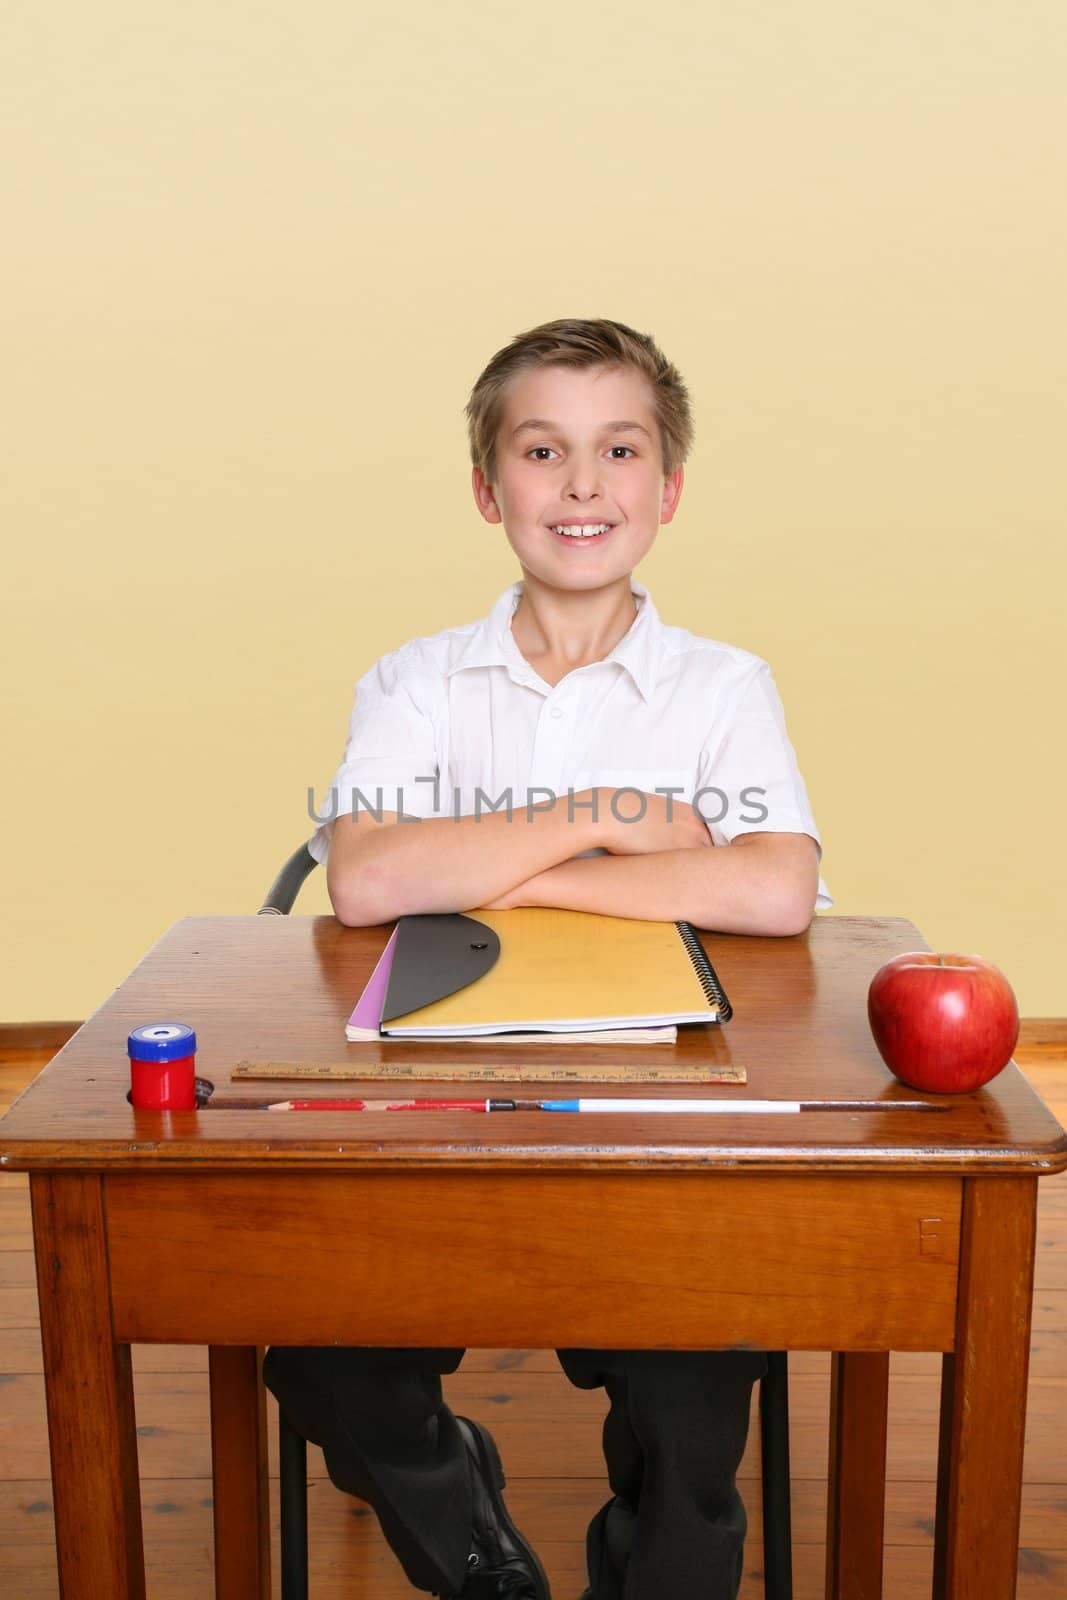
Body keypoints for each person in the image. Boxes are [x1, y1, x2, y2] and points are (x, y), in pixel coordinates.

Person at [265, 317, 831, 1599]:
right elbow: (366, 877)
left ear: (665, 488)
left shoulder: (722, 686)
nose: (581, 485)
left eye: (617, 449)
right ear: (489, 488)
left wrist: (496, 867)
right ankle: (464, 1527)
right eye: (541, 450)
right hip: (427, 1112)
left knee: (699, 1383)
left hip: (662, 1120)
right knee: (320, 1341)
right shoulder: (415, 681)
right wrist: (610, 817)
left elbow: (775, 886)